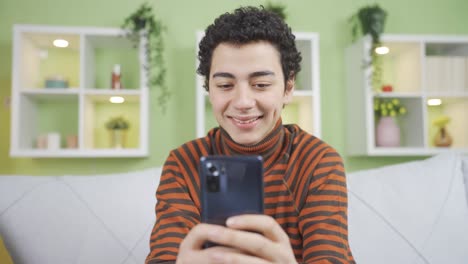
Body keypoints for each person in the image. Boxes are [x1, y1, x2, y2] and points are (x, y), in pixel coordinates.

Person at [146, 6, 355, 264]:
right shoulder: (184, 163)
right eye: (225, 85)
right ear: (209, 89)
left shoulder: (317, 162)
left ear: (288, 88)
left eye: (261, 85)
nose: (243, 102)